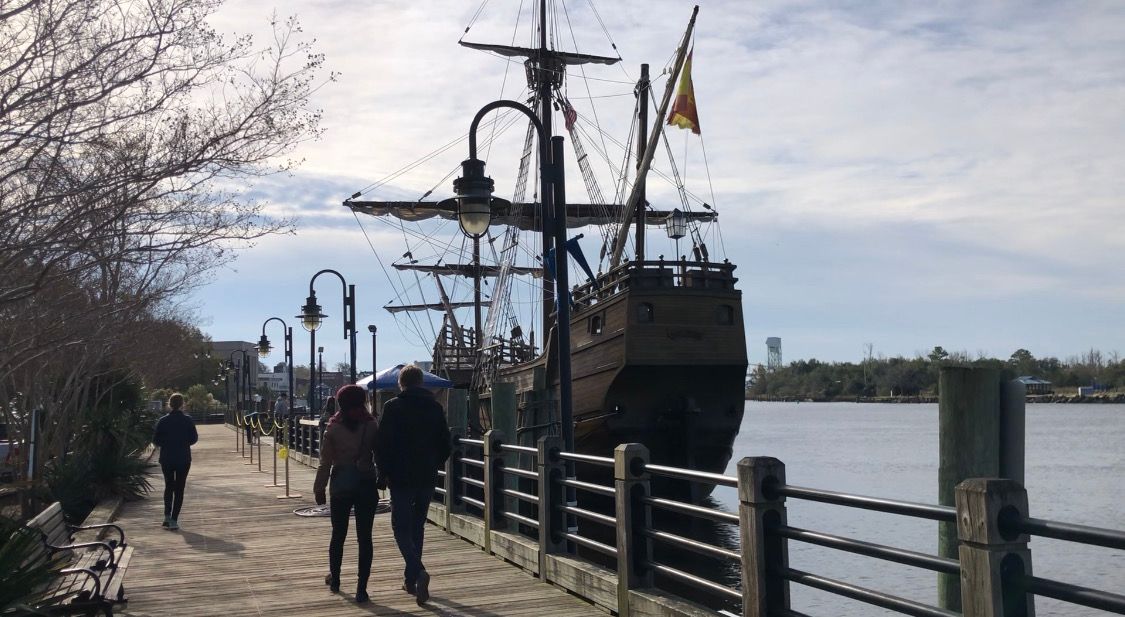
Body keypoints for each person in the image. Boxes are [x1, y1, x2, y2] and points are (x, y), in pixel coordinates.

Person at [376, 365, 451, 605]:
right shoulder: (435, 408)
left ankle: (418, 572)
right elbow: (445, 444)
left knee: (400, 527)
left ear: (401, 384)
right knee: (417, 526)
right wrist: (434, 463)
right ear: (421, 383)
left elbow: (382, 444)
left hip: (400, 477)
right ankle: (411, 581)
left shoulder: (392, 407)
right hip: (426, 476)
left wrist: (383, 471)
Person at [313, 385, 379, 604]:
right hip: (366, 484)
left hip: (341, 484)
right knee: (365, 538)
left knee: (338, 534)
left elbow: (325, 462)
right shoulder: (371, 425)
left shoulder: (333, 428)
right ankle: (362, 589)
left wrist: (319, 488)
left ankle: (336, 580)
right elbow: (380, 453)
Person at [152, 393, 198, 531]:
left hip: (167, 457)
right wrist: (183, 442)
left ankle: (166, 515)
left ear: (169, 404)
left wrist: (166, 443)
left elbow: (156, 440)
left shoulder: (162, 421)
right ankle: (174, 519)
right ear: (182, 404)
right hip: (183, 458)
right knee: (179, 488)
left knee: (169, 486)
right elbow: (194, 439)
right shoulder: (188, 420)